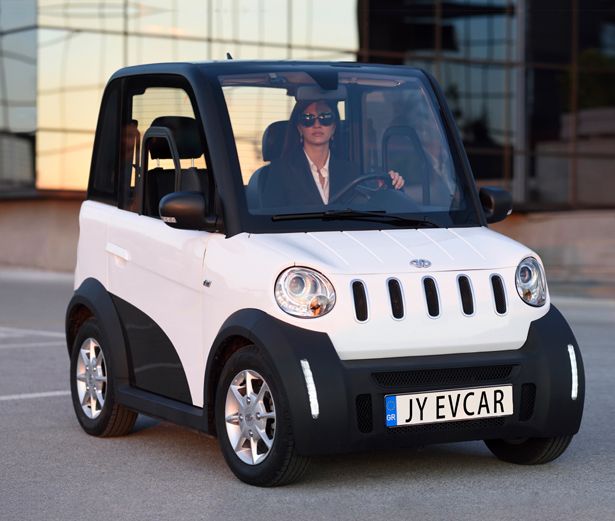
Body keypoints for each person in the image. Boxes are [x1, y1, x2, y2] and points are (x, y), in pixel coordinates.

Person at [261, 99, 404, 208]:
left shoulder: (350, 171)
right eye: (308, 119)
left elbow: (365, 208)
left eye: (325, 118)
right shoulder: (280, 170)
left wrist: (389, 184)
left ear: (334, 127)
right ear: (299, 128)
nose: (317, 124)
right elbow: (268, 222)